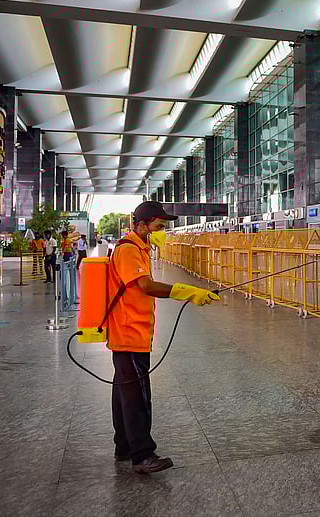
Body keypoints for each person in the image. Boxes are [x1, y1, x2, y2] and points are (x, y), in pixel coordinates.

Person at [106, 201, 219, 474]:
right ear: (141, 225)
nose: (162, 232)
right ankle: (142, 455)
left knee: (123, 391)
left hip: (130, 331)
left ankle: (123, 447)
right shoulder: (129, 250)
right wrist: (188, 292)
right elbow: (146, 286)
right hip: (129, 331)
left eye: (164, 228)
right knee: (137, 396)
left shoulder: (139, 249)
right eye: (158, 227)